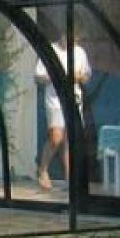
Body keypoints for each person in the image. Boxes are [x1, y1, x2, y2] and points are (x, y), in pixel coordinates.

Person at [35, 36, 91, 191]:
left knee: (69, 140)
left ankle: (70, 178)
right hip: (55, 100)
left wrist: (78, 77)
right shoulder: (50, 50)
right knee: (56, 137)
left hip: (74, 99)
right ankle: (43, 169)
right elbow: (38, 76)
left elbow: (86, 76)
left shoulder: (79, 52)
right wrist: (56, 77)